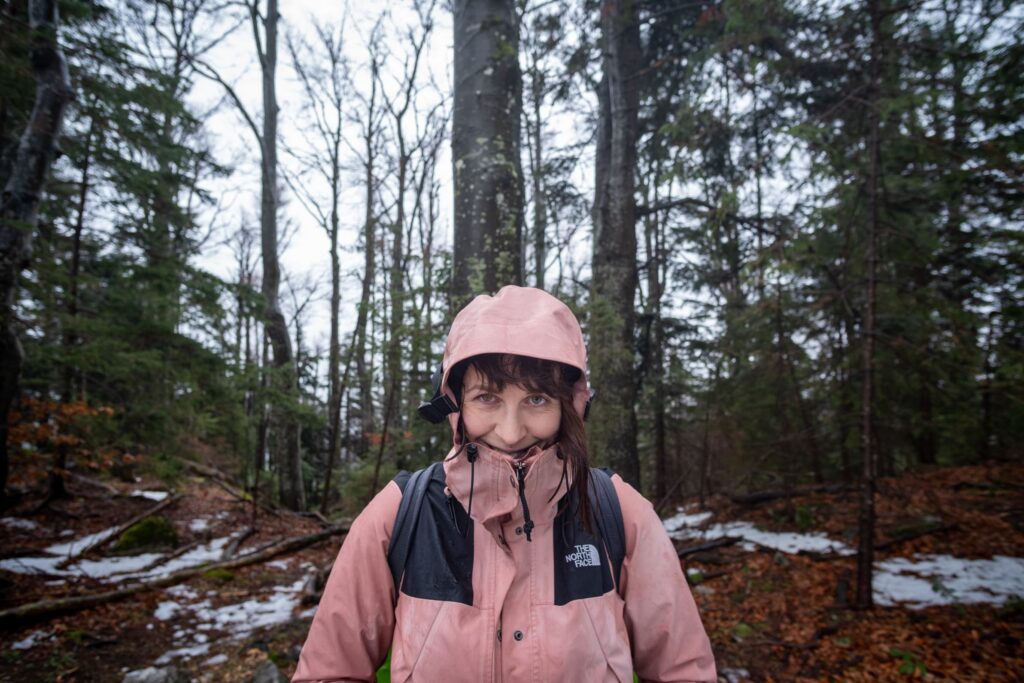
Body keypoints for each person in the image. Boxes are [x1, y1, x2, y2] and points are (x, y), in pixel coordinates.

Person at [293, 286, 716, 682]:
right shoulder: (401, 514)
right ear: (455, 403)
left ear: (569, 405)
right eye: (487, 398)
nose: (511, 432)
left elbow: (684, 671)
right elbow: (329, 671)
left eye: (536, 399)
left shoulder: (619, 512)